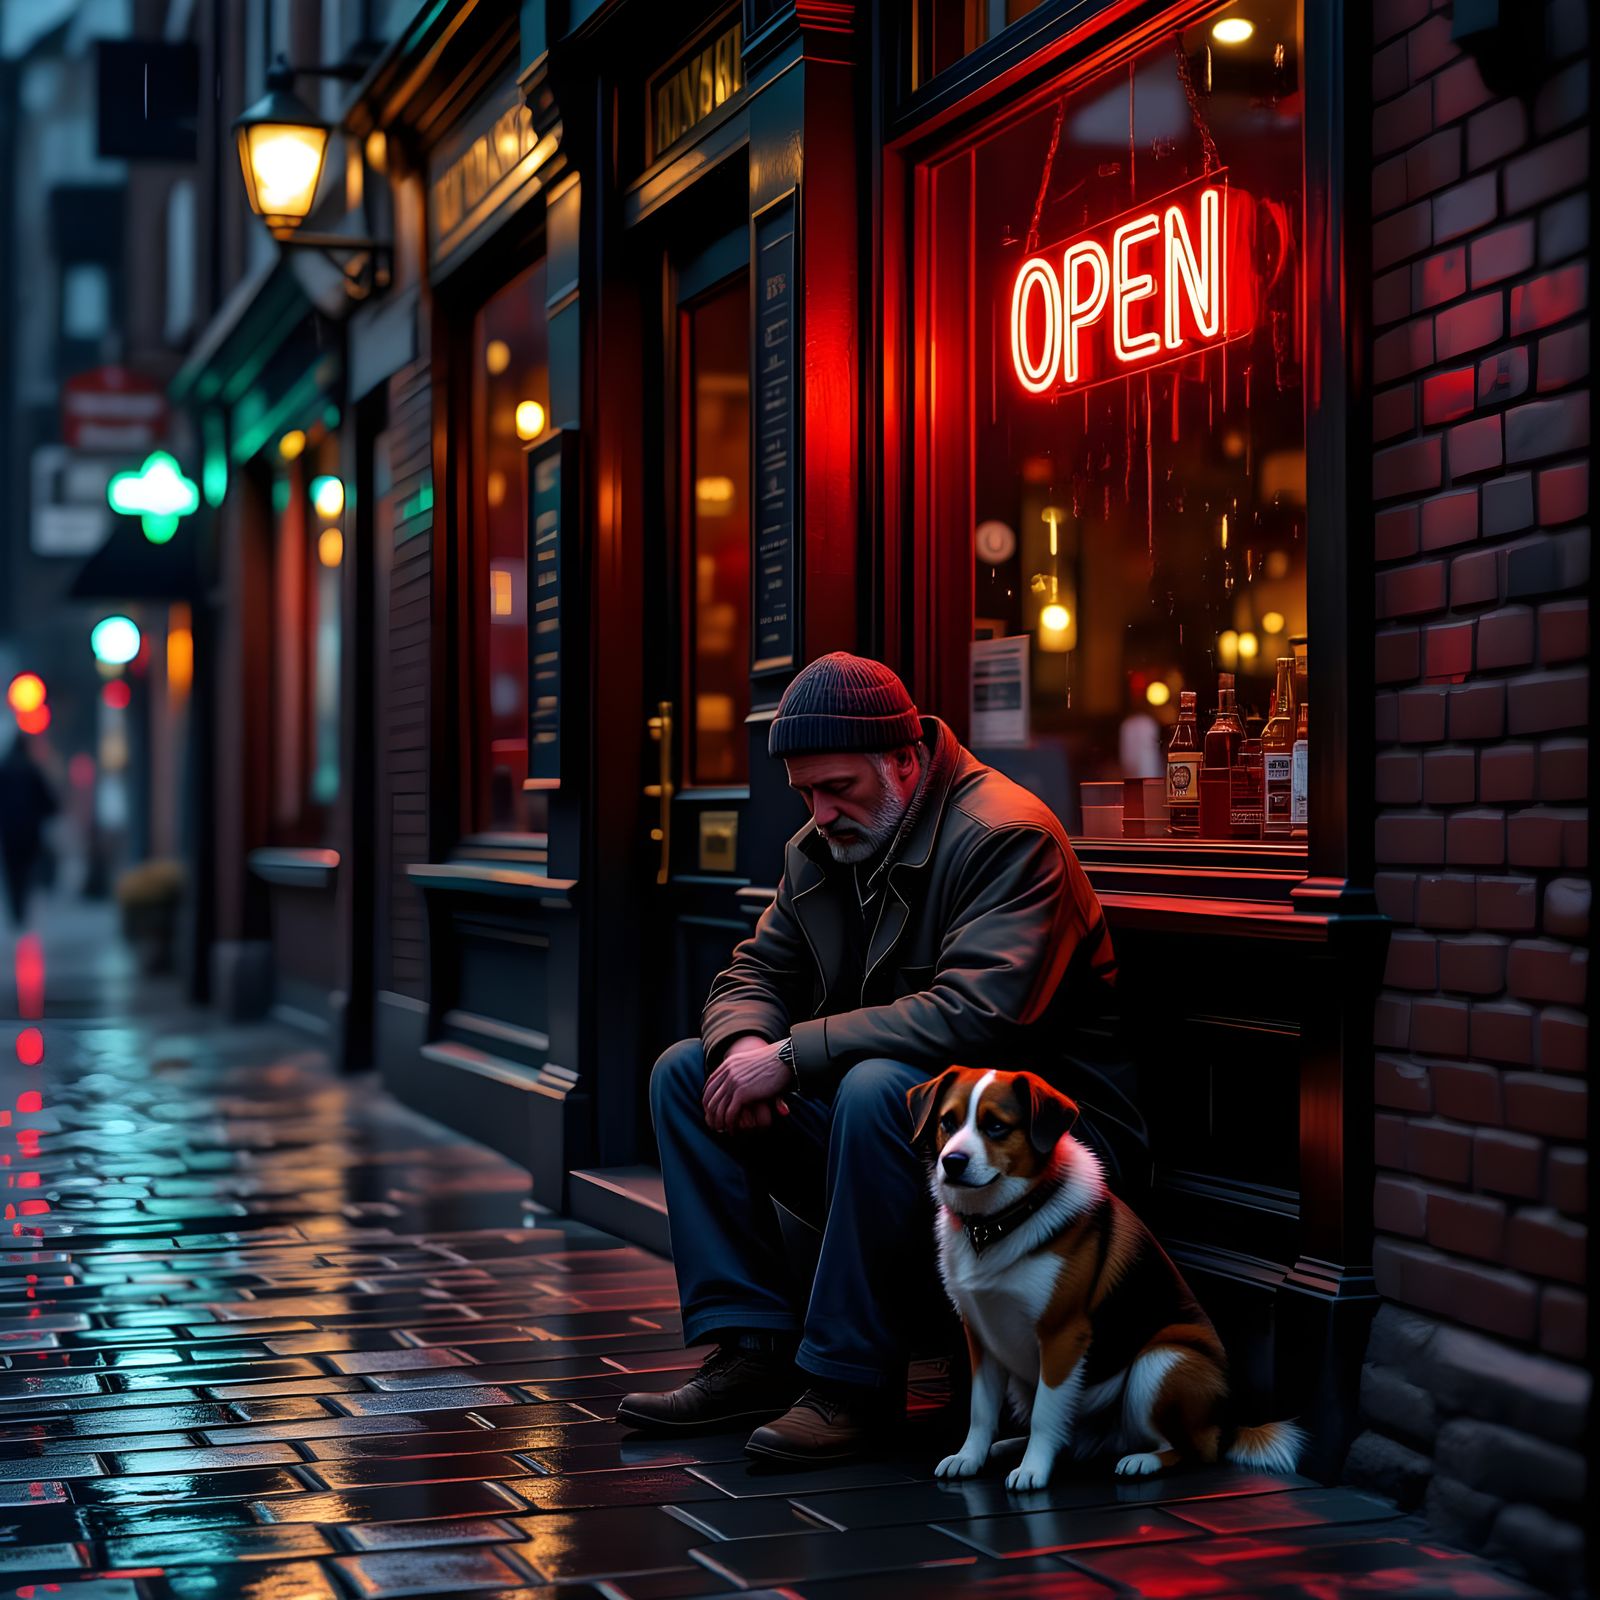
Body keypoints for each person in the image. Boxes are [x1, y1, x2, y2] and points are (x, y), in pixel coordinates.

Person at [621, 653, 1135, 1463]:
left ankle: (850, 1383)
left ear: (903, 760)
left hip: (1045, 1149)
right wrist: (750, 1044)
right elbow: (753, 971)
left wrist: (791, 1054)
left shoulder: (1007, 836)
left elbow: (977, 1015)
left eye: (839, 790)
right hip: (922, 1140)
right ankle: (752, 1353)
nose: (820, 813)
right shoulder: (826, 844)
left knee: (876, 1087)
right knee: (691, 1072)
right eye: (805, 794)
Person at [0, 734, 58, 930]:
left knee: (12, 872)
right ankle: (22, 911)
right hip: (29, 833)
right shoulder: (31, 770)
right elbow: (48, 802)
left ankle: (16, 912)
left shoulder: (4, 769)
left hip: (8, 832)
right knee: (25, 871)